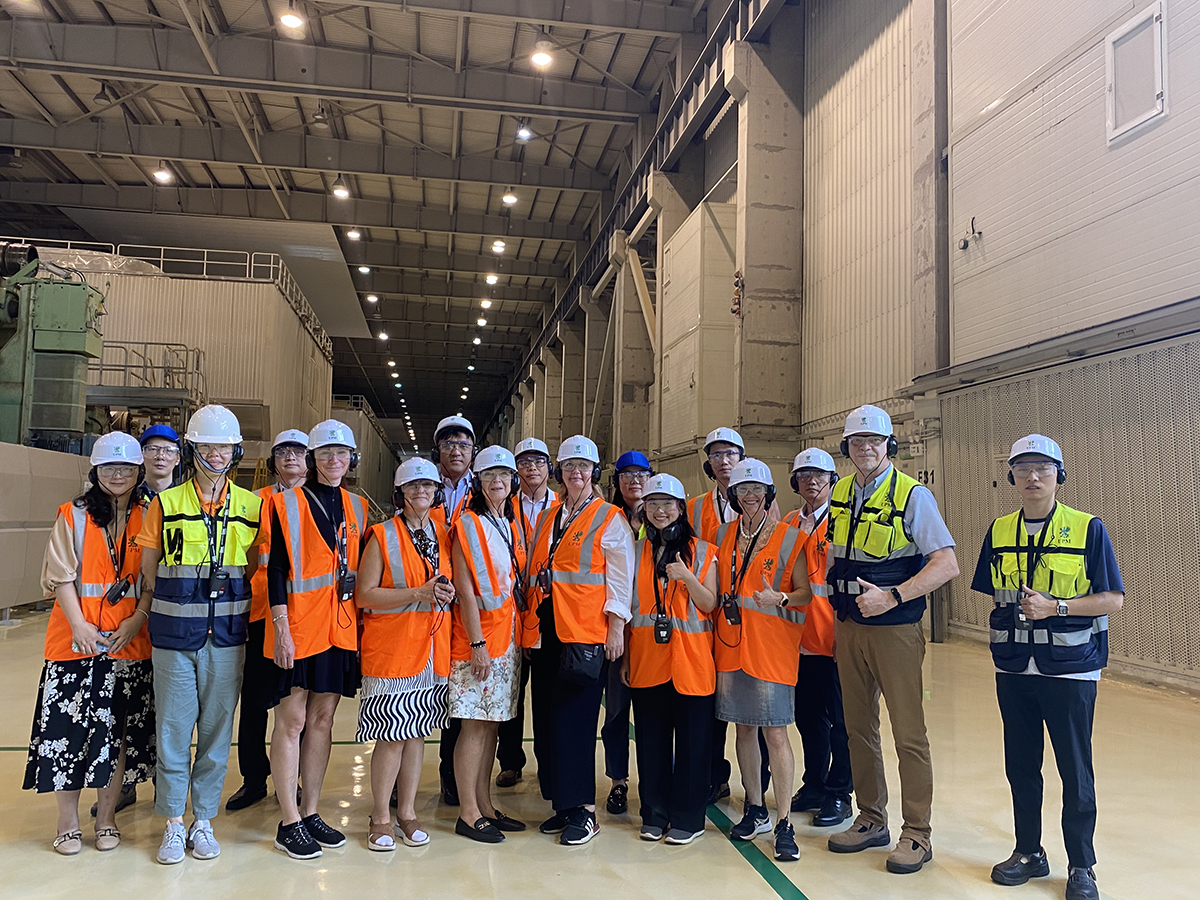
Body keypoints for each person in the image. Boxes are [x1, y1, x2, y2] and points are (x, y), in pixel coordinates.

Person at [972, 435, 1123, 900]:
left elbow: (1112, 599)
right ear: (1011, 477)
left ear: (1059, 475)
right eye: (1023, 468)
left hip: (1070, 668)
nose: (1032, 477)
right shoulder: (999, 531)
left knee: (1075, 770)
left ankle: (1081, 865)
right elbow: (994, 595)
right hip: (1015, 667)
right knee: (1021, 766)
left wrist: (1056, 607)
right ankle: (1028, 852)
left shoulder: (1087, 528)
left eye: (1042, 468)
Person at [825, 404, 959, 874]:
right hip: (849, 627)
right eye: (857, 441)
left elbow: (946, 563)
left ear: (889, 445)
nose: (866, 448)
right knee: (857, 728)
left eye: (874, 441)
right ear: (846, 447)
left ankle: (917, 833)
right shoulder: (840, 492)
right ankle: (870, 818)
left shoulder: (912, 495)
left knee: (908, 734)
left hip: (896, 630)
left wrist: (894, 596)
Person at [136, 404, 264, 865]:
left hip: (226, 638)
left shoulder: (251, 507)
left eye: (223, 447)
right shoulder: (165, 504)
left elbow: (254, 568)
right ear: (192, 450)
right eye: (207, 446)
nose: (215, 454)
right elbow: (149, 571)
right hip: (174, 637)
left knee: (215, 734)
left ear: (235, 452)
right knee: (172, 731)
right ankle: (173, 822)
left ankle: (203, 819)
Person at [25, 432, 155, 856]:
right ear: (95, 471)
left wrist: (138, 619)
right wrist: (79, 625)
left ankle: (106, 817)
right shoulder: (74, 514)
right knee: (67, 732)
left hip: (128, 643)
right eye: (109, 467)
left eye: (127, 468)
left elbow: (152, 580)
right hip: (75, 643)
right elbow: (60, 575)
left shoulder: (150, 513)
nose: (118, 475)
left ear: (138, 471)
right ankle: (67, 821)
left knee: (116, 735)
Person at [264, 419, 368, 859]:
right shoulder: (286, 503)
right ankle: (288, 821)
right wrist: (281, 630)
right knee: (291, 721)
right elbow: (276, 571)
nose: (334, 460)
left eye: (341, 453)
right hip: (298, 629)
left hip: (338, 629)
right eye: (325, 453)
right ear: (312, 458)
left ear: (351, 459)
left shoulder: (358, 507)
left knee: (323, 721)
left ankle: (310, 812)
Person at [524, 434, 634, 846]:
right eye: (569, 466)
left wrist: (616, 628)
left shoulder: (609, 518)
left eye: (583, 467)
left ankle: (585, 811)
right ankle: (564, 805)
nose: (576, 473)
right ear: (560, 471)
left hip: (586, 634)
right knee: (551, 721)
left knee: (577, 721)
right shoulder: (550, 516)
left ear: (594, 472)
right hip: (549, 630)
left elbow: (620, 579)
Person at [712, 458, 808, 862]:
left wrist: (780, 597)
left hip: (771, 651)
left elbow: (805, 593)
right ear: (733, 495)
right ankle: (755, 807)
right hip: (732, 648)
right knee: (744, 729)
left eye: (756, 489)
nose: (749, 496)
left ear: (769, 493)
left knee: (776, 734)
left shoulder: (789, 537)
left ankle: (783, 821)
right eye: (742, 490)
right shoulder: (722, 535)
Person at [356, 457, 454, 851]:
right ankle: (380, 816)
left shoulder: (444, 533)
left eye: (427, 486)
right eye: (413, 487)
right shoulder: (382, 536)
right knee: (391, 738)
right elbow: (364, 595)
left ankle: (408, 813)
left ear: (436, 492)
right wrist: (417, 593)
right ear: (400, 494)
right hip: (393, 651)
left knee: (417, 736)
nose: (421, 492)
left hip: (431, 649)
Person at [622, 474, 718, 845]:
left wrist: (687, 577)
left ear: (681, 508)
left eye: (667, 504)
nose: (660, 511)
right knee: (651, 743)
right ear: (644, 510)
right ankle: (654, 813)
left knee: (694, 745)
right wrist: (626, 659)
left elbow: (709, 603)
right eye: (653, 504)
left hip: (692, 663)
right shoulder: (634, 552)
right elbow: (628, 610)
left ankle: (689, 818)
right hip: (648, 661)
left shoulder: (704, 551)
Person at [226, 428, 309, 812]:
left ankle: (293, 780)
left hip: (306, 617)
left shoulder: (317, 500)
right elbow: (241, 556)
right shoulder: (255, 501)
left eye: (298, 451)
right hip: (260, 615)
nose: (290, 457)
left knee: (299, 706)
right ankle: (254, 779)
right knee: (256, 702)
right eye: (283, 451)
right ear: (273, 460)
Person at [449, 446, 529, 843]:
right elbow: (465, 589)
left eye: (503, 475)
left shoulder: (508, 522)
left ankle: (484, 805)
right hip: (477, 642)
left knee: (492, 725)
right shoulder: (467, 523)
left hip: (506, 639)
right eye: (488, 475)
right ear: (477, 482)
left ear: (513, 480)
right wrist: (477, 643)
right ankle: (467, 812)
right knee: (474, 726)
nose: (497, 481)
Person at [782, 448, 854, 828]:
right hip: (799, 641)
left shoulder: (843, 523)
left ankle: (840, 793)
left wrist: (846, 633)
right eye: (804, 475)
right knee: (808, 719)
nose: (812, 481)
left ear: (832, 480)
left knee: (842, 722)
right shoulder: (789, 523)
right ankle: (814, 783)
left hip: (834, 639)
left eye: (819, 475)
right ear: (795, 482)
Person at [495, 437, 556, 789]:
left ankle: (548, 765)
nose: (532, 468)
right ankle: (510, 762)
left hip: (547, 615)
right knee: (511, 693)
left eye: (539, 461)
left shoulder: (562, 507)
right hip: (512, 613)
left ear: (550, 467)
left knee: (546, 697)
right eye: (524, 462)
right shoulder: (505, 505)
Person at [600, 449, 653, 816]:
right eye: (627, 475)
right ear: (616, 482)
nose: (635, 480)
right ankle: (618, 781)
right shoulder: (607, 519)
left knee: (652, 716)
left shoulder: (661, 518)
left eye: (641, 474)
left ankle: (653, 783)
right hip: (616, 630)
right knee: (616, 713)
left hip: (651, 635)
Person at [430, 414, 477, 804]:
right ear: (438, 451)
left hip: (469, 607)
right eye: (448, 445)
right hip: (429, 601)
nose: (456, 451)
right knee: (417, 688)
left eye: (463, 444)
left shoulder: (484, 490)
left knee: (460, 698)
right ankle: (398, 779)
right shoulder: (423, 486)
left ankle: (452, 776)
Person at [140, 424, 181, 498]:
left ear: (178, 458)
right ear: (142, 455)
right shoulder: (130, 498)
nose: (160, 456)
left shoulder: (185, 498)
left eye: (168, 450)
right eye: (153, 449)